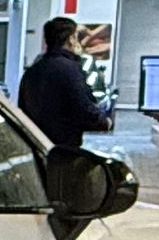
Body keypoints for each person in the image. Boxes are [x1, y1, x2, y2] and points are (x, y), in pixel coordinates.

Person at [17, 16, 115, 151]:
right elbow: (83, 108)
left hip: (37, 147)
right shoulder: (71, 69)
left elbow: (22, 110)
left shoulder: (32, 71)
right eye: (76, 37)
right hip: (64, 149)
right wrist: (104, 123)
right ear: (70, 39)